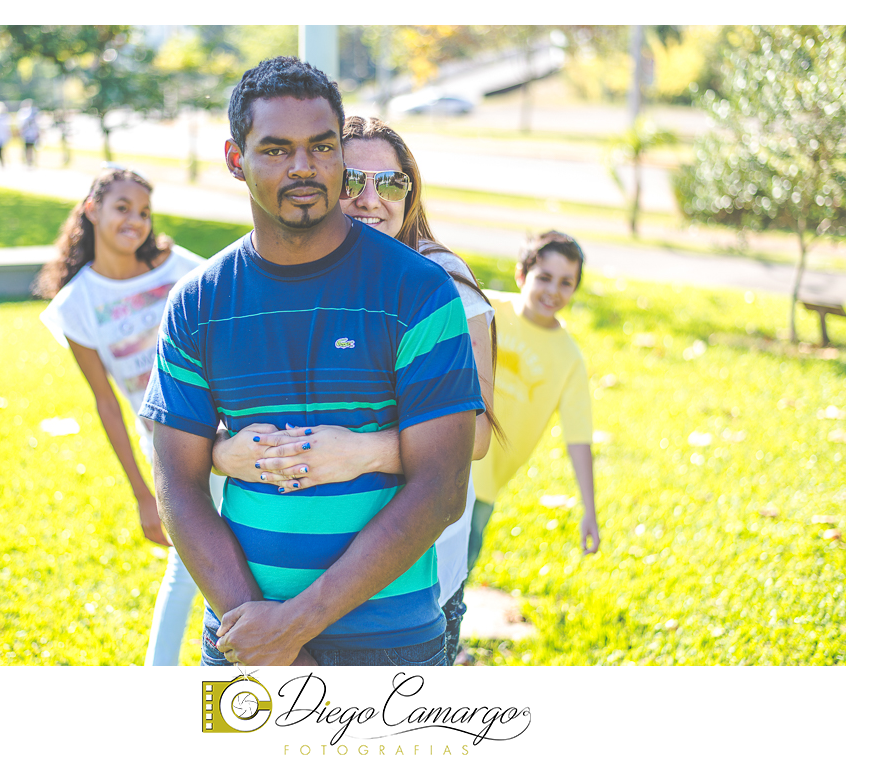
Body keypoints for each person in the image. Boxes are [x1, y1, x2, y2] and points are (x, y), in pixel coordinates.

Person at [139, 56, 484, 667]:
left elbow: (442, 487)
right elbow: (178, 485)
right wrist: (260, 633)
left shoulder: (419, 292)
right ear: (235, 158)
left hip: (391, 643)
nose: (303, 166)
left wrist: (295, 625)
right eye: (276, 149)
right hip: (240, 637)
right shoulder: (198, 301)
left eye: (322, 147)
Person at [212, 115, 502, 666]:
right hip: (270, 586)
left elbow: (479, 434)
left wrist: (361, 452)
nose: (371, 199)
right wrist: (227, 452)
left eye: (390, 183)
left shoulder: (441, 284)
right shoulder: (283, 277)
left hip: (406, 588)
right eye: (353, 181)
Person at [34, 166, 223, 666]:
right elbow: (106, 403)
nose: (135, 221)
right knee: (191, 567)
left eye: (144, 212)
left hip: (231, 434)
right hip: (170, 447)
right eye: (123, 208)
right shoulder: (77, 305)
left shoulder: (181, 269)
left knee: (224, 564)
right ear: (92, 210)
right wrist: (144, 494)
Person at [470, 231, 601, 581]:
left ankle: (445, 635)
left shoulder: (569, 358)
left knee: (459, 568)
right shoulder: (484, 308)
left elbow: (578, 435)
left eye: (565, 283)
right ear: (521, 274)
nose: (553, 291)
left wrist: (589, 509)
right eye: (544, 277)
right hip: (445, 454)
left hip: (486, 484)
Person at [17, 99, 41, 167]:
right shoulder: (23, 113)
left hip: (32, 133)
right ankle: (27, 160)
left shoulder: (34, 112)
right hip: (26, 134)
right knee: (27, 148)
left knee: (32, 147)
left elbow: (37, 124)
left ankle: (31, 161)